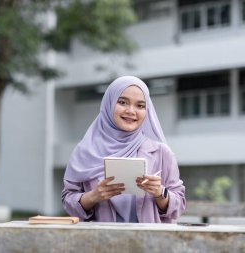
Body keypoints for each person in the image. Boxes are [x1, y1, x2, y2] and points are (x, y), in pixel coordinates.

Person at [61, 76, 185, 223]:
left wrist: (159, 192)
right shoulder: (85, 151)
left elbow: (179, 205)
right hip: (99, 241)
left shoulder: (161, 152)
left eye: (140, 106)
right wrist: (94, 196)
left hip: (149, 242)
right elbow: (68, 200)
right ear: (109, 104)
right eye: (122, 102)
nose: (131, 111)